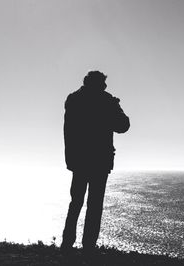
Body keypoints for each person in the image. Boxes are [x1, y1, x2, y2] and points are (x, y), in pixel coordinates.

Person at [61, 71, 130, 253]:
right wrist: (115, 106)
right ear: (98, 84)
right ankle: (88, 247)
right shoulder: (106, 102)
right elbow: (123, 125)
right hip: (99, 160)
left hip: (80, 160)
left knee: (76, 202)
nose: (105, 87)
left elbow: (69, 131)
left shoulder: (74, 99)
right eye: (103, 84)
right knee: (94, 204)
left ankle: (67, 244)